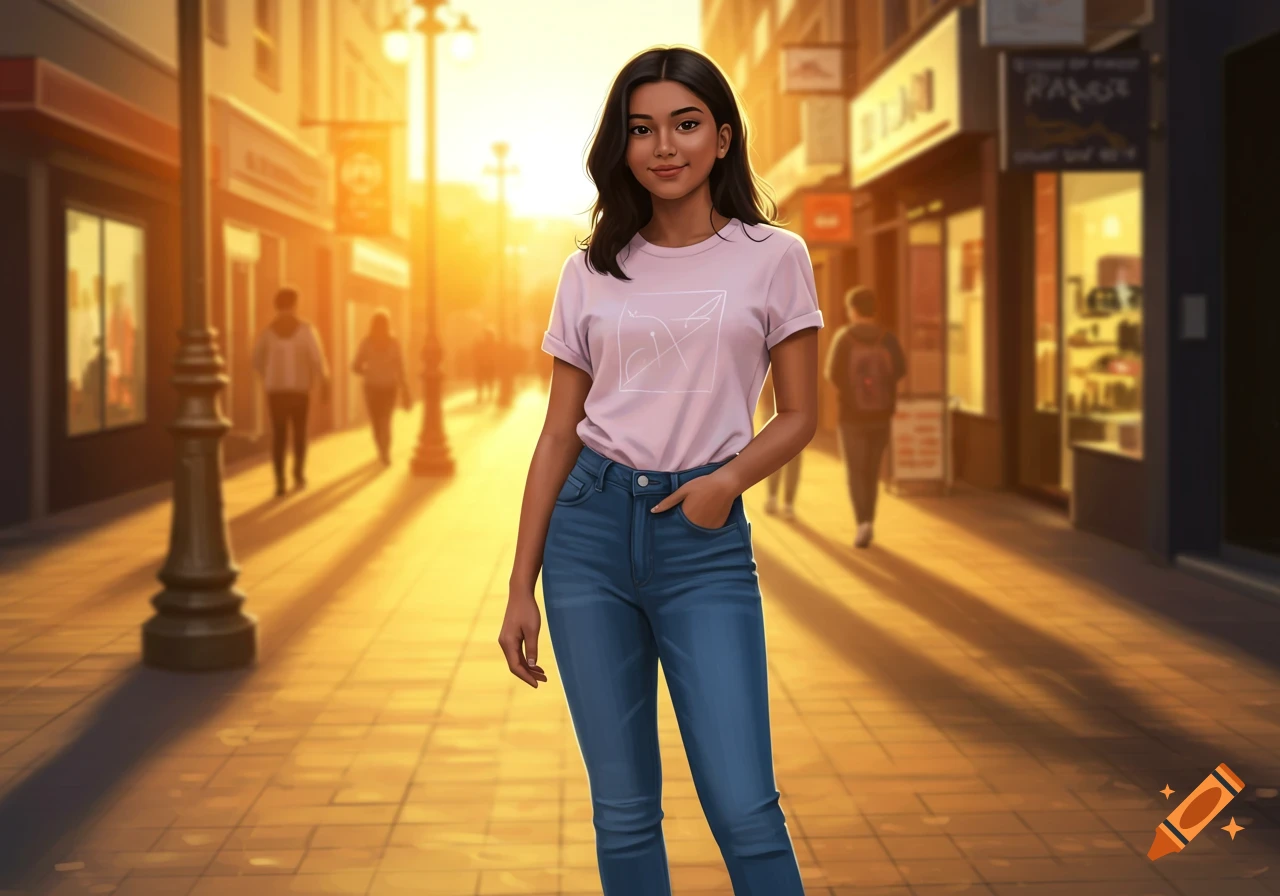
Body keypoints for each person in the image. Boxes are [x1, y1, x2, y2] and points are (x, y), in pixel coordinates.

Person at [497, 47, 822, 896]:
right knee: (624, 812)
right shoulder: (589, 269)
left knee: (746, 809)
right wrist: (520, 586)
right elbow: (557, 433)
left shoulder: (774, 255)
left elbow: (800, 415)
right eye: (642, 129)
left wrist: (725, 483)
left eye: (685, 124)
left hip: (701, 541)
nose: (664, 146)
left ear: (723, 136)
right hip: (588, 535)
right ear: (623, 144)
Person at [824, 285, 906, 548]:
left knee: (856, 471)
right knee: (872, 470)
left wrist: (852, 391)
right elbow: (900, 369)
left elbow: (832, 373)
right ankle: (869, 518)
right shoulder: (888, 338)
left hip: (851, 416)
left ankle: (863, 524)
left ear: (853, 310)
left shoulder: (844, 337)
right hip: (881, 415)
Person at [252, 286, 330, 497]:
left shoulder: (268, 333)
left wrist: (269, 375)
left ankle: (279, 481)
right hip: (299, 391)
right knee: (299, 433)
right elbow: (317, 358)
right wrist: (324, 381)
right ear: (295, 304)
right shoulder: (306, 330)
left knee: (279, 436)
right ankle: (298, 475)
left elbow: (256, 360)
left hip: (276, 392)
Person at [351, 309, 410, 465]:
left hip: (379, 387)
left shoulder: (371, 343)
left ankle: (383, 451)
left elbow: (356, 366)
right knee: (382, 421)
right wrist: (404, 387)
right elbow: (356, 365)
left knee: (380, 421)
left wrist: (367, 371)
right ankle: (384, 451)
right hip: (381, 387)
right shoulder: (385, 343)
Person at [757, 368, 803, 519]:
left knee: (793, 454)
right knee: (773, 452)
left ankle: (788, 502)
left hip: (796, 407)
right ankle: (772, 496)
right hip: (771, 405)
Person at [474, 328, 496, 402]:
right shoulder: (486, 345)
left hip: (486, 366)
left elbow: (476, 354)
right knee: (486, 381)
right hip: (485, 366)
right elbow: (476, 354)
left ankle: (484, 395)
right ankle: (483, 395)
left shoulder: (484, 345)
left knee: (487, 381)